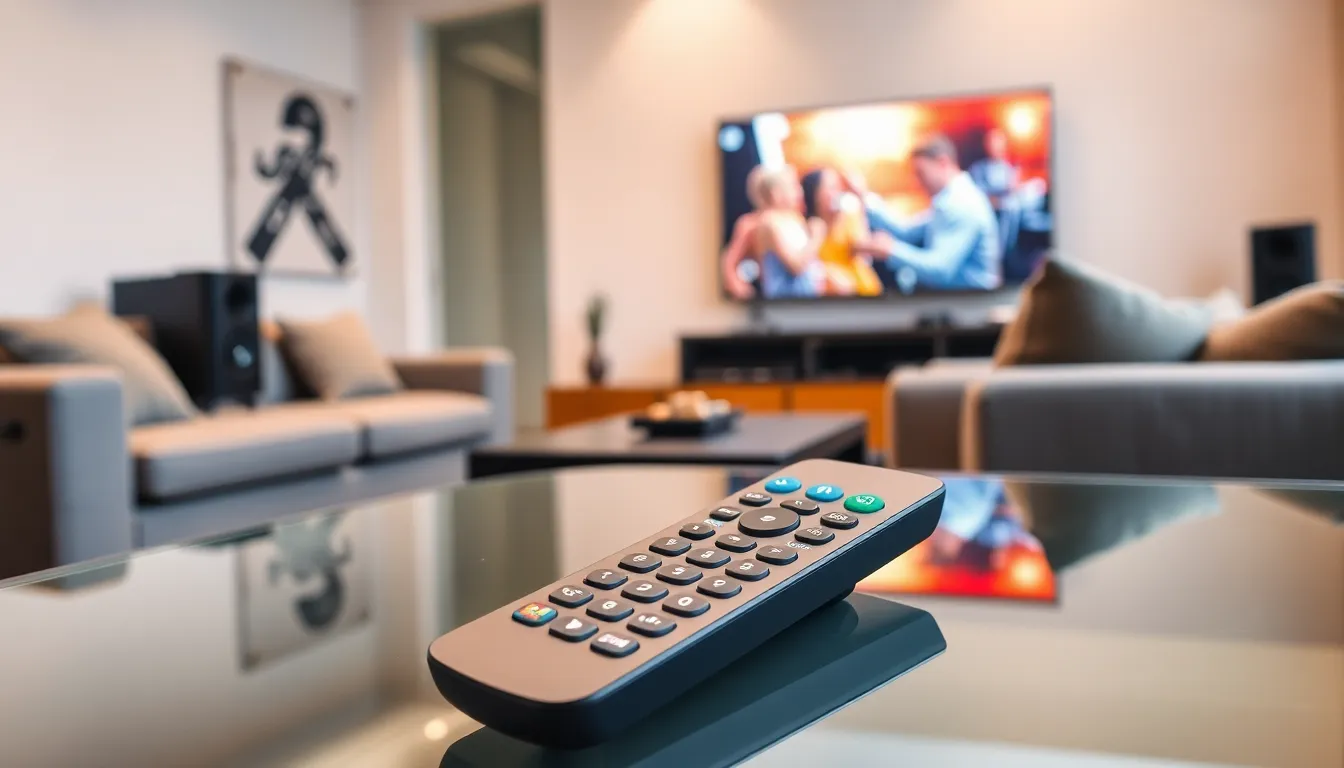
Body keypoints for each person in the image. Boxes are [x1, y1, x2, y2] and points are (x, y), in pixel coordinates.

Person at [850, 134, 1002, 291]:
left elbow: (940, 270)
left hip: (971, 308)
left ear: (943, 163)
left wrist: (891, 250)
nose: (918, 182)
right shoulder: (949, 199)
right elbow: (906, 230)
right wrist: (863, 196)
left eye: (920, 173)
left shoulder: (961, 204)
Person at [800, 168, 884, 297]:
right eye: (831, 188)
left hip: (865, 289)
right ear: (815, 194)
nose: (837, 193)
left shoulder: (849, 217)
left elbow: (864, 252)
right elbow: (809, 267)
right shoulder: (810, 226)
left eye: (838, 187)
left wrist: (859, 197)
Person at [748, 165, 825, 299]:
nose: (800, 191)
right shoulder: (769, 222)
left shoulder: (795, 218)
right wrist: (816, 237)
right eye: (793, 186)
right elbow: (795, 266)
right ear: (775, 193)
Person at [968, 128, 1022, 257]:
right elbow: (978, 194)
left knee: (1013, 206)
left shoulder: (1010, 170)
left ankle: (1005, 254)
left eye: (998, 143)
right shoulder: (977, 169)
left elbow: (1013, 193)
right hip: (985, 213)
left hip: (1006, 215)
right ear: (986, 145)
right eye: (992, 143)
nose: (995, 147)